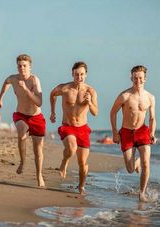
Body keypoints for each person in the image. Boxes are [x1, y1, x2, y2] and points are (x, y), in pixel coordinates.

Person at [0, 54, 46, 187]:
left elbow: (39, 102)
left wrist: (26, 89)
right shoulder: (13, 78)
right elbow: (6, 82)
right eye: (19, 65)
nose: (22, 68)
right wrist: (0, 98)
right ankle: (23, 162)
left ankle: (39, 175)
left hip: (36, 117)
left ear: (30, 67)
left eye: (25, 66)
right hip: (21, 115)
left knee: (38, 150)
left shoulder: (34, 80)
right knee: (21, 134)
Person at [50, 61, 98, 194]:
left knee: (82, 164)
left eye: (82, 74)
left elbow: (95, 112)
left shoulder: (91, 91)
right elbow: (52, 94)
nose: (79, 77)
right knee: (71, 149)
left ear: (86, 75)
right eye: (77, 74)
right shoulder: (64, 88)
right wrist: (53, 112)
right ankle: (64, 161)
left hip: (83, 128)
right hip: (68, 126)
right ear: (72, 74)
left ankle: (81, 187)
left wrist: (89, 103)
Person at [110, 65, 156, 202]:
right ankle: (135, 164)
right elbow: (113, 113)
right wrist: (114, 132)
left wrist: (152, 132)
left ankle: (142, 193)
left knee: (146, 163)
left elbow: (152, 118)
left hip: (142, 131)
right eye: (135, 78)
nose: (138, 80)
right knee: (130, 169)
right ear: (131, 78)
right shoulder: (125, 96)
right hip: (126, 132)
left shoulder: (150, 97)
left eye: (140, 78)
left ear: (145, 79)